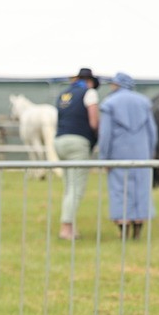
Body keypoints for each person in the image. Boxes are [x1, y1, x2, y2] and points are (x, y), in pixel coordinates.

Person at [98, 72, 157, 240]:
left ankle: (124, 231)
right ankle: (138, 231)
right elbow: (151, 132)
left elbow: (105, 135)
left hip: (118, 155)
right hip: (142, 155)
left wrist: (104, 157)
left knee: (119, 191)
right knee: (141, 191)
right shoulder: (144, 102)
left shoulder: (109, 103)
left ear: (117, 84)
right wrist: (150, 153)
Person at [53, 67, 101, 240]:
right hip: (78, 142)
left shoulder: (64, 94)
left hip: (59, 141)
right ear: (89, 81)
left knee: (68, 186)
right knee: (77, 188)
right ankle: (66, 229)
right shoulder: (89, 93)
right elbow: (94, 122)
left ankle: (70, 226)